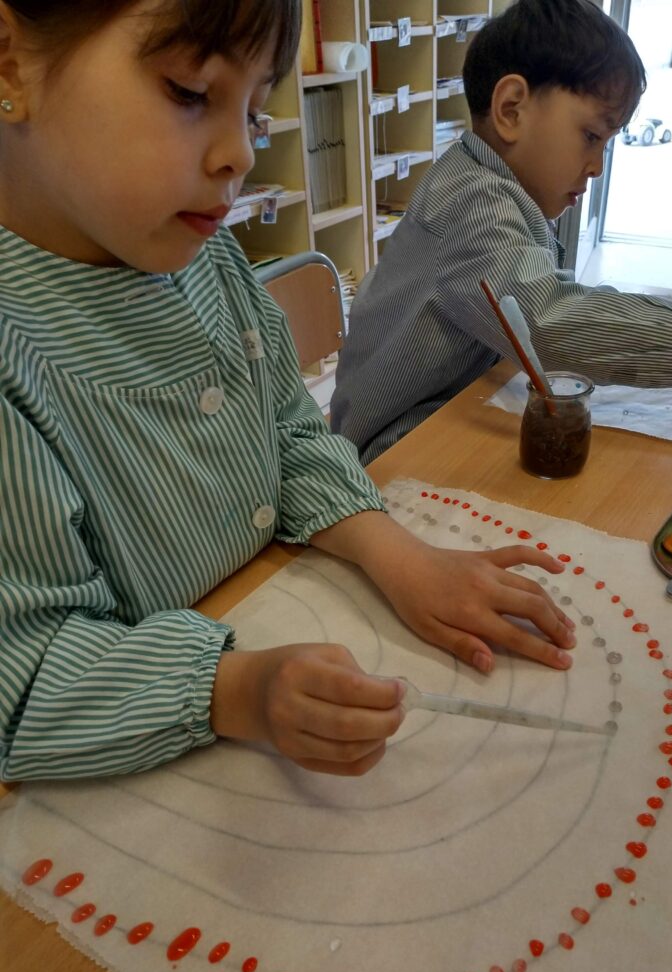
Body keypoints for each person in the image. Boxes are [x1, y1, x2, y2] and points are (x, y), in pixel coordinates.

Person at [0, 0, 578, 784]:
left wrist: (399, 557)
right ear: (10, 62)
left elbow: (290, 434)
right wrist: (236, 690)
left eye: (254, 112)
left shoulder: (207, 261)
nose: (240, 153)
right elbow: (27, 674)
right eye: (189, 93)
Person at [330, 0, 672, 464]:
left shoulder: (497, 189)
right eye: (591, 136)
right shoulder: (473, 200)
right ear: (511, 110)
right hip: (393, 448)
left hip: (460, 408)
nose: (597, 167)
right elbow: (550, 320)